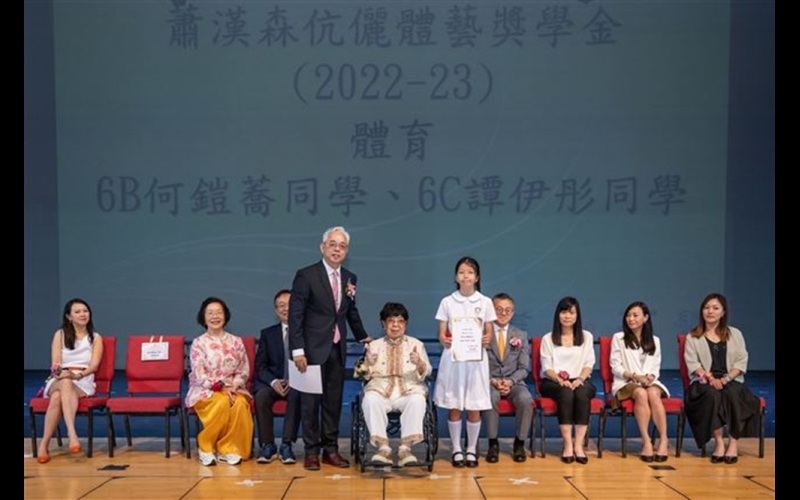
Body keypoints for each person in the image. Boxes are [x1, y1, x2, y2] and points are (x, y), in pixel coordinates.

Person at [288, 225, 372, 470]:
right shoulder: (306, 275)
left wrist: (363, 337)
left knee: (333, 402)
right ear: (322, 247)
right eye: (332, 244)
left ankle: (330, 450)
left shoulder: (350, 278)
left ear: (347, 251)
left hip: (337, 349)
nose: (337, 249)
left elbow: (350, 311)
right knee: (310, 403)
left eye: (342, 246)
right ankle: (311, 451)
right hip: (310, 351)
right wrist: (298, 350)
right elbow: (295, 315)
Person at [683, 293, 761, 464]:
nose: (710, 311)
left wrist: (726, 378)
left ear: (723, 312)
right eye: (706, 308)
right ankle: (718, 442)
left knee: (732, 394)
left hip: (731, 379)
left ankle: (733, 443)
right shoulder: (693, 336)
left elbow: (741, 360)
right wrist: (709, 377)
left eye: (715, 308)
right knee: (712, 395)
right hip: (704, 381)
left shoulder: (735, 334)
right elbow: (693, 363)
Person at [433, 256, 494, 468]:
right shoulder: (447, 302)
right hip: (454, 360)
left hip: (476, 361)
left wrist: (487, 338)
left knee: (474, 405)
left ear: (477, 277)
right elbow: (442, 333)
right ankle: (457, 449)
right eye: (461, 272)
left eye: (470, 272)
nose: (465, 276)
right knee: (455, 405)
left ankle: (471, 450)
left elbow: (489, 331)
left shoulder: (485, 302)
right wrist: (444, 339)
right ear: (456, 277)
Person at [360, 302, 432, 467]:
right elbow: (363, 375)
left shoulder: (416, 344)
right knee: (369, 399)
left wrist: (419, 363)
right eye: (391, 321)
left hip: (408, 390)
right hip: (380, 390)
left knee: (418, 400)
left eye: (400, 321)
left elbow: (428, 371)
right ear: (383, 324)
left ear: (405, 324)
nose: (395, 325)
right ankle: (383, 449)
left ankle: (405, 449)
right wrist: (368, 364)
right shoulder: (373, 346)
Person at [185, 296, 254, 466]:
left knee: (240, 404)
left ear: (225, 316)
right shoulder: (198, 343)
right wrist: (220, 387)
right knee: (222, 402)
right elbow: (199, 374)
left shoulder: (236, 341)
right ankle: (206, 447)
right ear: (203, 317)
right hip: (206, 389)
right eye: (210, 313)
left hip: (233, 388)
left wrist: (235, 386)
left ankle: (228, 449)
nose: (215, 316)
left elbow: (243, 370)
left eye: (218, 312)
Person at [36, 298, 104, 463]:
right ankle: (72, 433)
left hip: (83, 379)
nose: (82, 314)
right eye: (77, 312)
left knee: (57, 397)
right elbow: (55, 365)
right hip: (59, 377)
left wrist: (76, 376)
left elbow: (94, 366)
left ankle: (43, 444)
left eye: (85, 311)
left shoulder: (95, 338)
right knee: (65, 383)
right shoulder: (60, 335)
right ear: (69, 316)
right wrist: (62, 374)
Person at [609, 301, 670, 462]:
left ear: (646, 318)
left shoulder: (655, 340)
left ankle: (664, 440)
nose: (631, 319)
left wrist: (650, 377)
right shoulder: (619, 338)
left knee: (653, 393)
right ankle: (646, 441)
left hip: (648, 382)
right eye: (628, 315)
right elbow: (615, 366)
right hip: (626, 382)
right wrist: (635, 376)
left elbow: (655, 367)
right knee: (641, 394)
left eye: (635, 315)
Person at [539, 296, 597, 465]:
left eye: (571, 313)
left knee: (582, 394)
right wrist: (559, 380)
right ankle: (567, 444)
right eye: (563, 312)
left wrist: (580, 379)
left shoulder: (586, 336)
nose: (567, 316)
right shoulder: (548, 338)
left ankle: (578, 445)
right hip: (553, 381)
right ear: (558, 314)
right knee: (565, 393)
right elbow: (547, 367)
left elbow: (589, 363)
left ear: (577, 315)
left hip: (580, 379)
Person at [482, 292, 533, 463]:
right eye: (498, 309)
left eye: (507, 310)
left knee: (526, 399)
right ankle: (492, 444)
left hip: (514, 381)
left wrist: (510, 381)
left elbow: (524, 368)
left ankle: (519, 443)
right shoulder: (483, 334)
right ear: (491, 310)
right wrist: (492, 380)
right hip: (489, 381)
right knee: (490, 397)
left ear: (512, 312)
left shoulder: (520, 335)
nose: (503, 313)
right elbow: (476, 365)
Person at [253, 289, 302, 464]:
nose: (286, 309)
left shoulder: (306, 333)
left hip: (297, 382)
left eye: (289, 305)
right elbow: (260, 366)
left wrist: (294, 380)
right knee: (261, 396)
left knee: (297, 394)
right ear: (276, 310)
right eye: (281, 305)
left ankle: (287, 445)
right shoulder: (267, 334)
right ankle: (267, 445)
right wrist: (273, 382)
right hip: (273, 383)